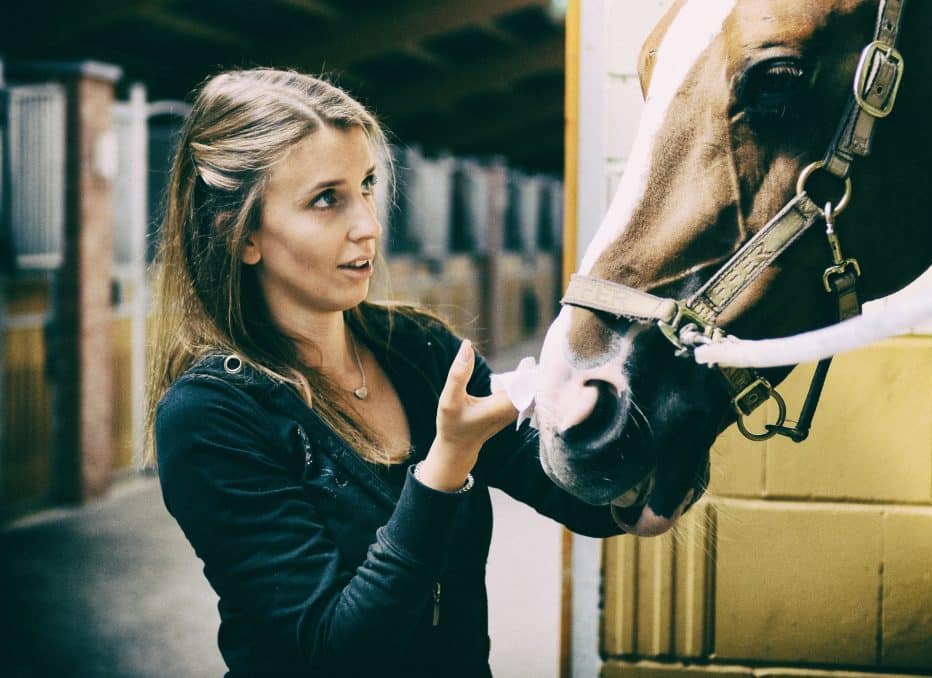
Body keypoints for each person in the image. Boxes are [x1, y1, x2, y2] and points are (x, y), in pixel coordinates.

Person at [144, 68, 622, 678]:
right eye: (327, 199)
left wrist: (652, 403)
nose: (368, 223)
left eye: (366, 186)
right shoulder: (210, 417)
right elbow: (335, 647)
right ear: (239, 235)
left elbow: (584, 497)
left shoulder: (414, 349)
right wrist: (447, 463)